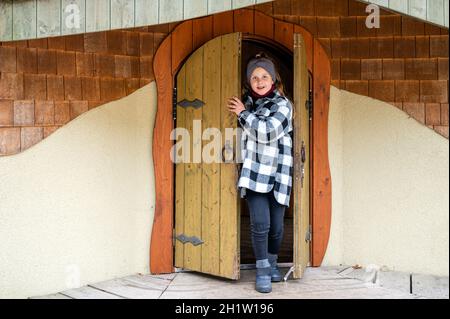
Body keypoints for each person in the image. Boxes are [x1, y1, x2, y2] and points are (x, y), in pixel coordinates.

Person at [227, 52, 294, 293]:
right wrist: (243, 111)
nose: (260, 80)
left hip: (278, 174)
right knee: (260, 224)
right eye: (254, 76)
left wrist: (243, 114)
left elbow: (266, 132)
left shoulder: (284, 105)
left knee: (277, 227)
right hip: (254, 172)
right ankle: (263, 270)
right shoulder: (247, 102)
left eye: (264, 75)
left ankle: (273, 263)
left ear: (273, 78)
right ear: (249, 81)